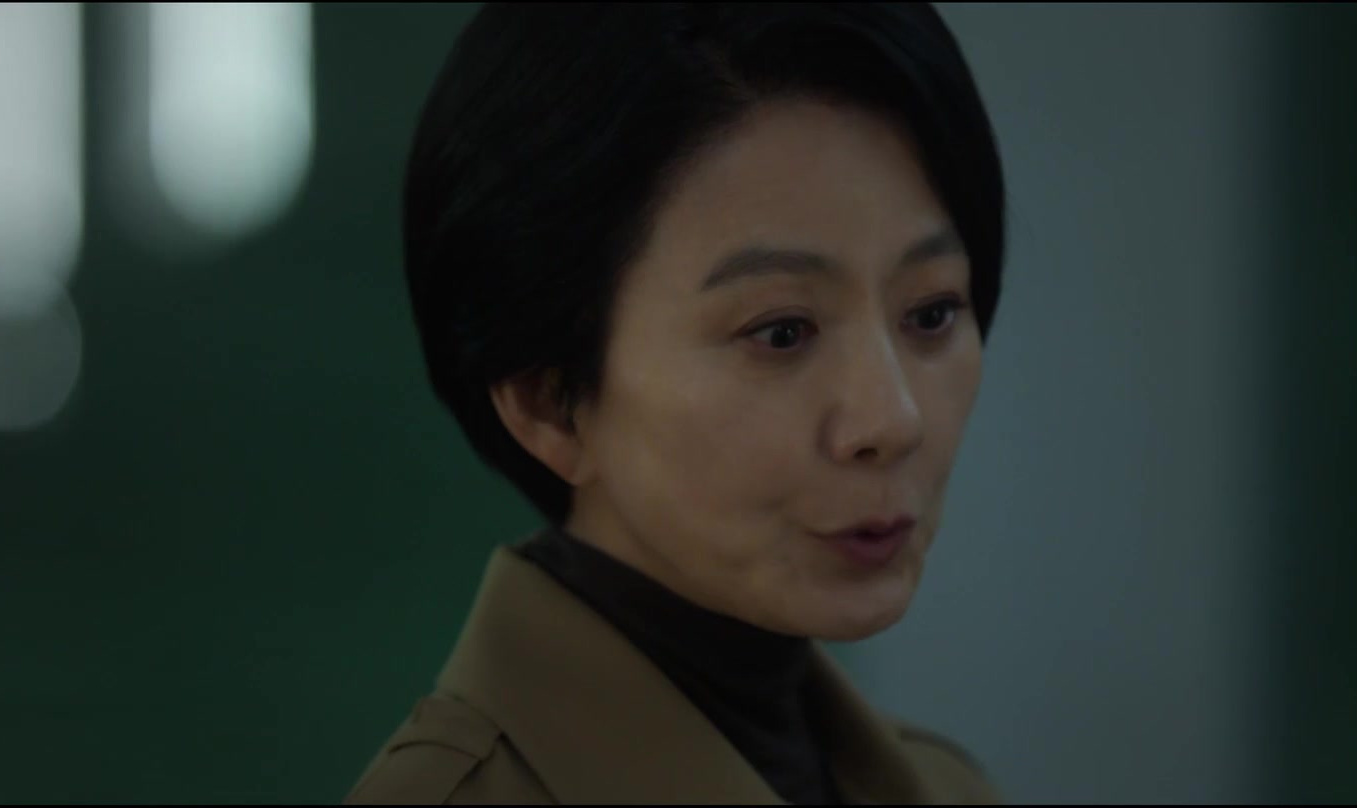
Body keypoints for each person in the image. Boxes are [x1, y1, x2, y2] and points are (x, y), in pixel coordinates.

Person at [346, 3, 1006, 804]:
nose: (892, 420)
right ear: (549, 403)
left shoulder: (950, 789)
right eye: (782, 332)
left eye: (932, 314)